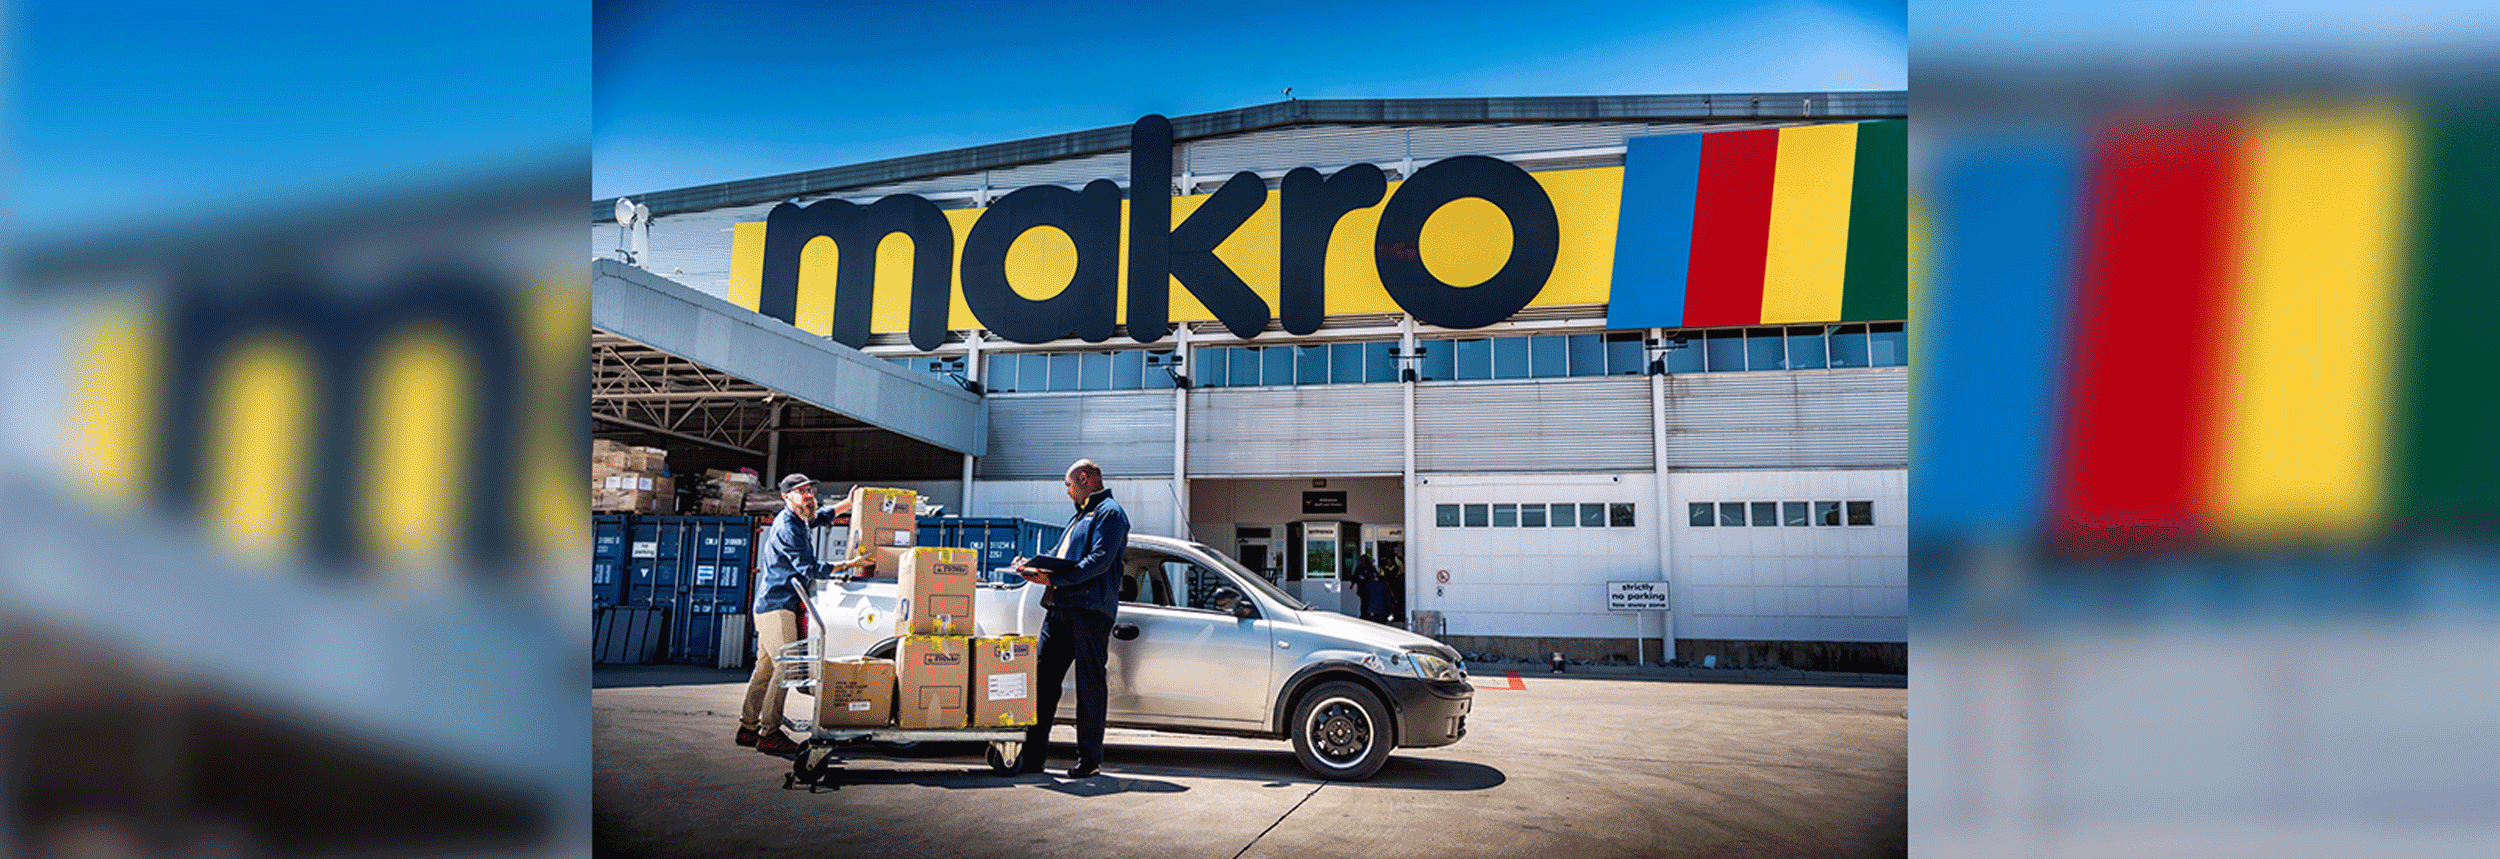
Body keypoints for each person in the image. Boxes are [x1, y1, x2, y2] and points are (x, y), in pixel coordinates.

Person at [1008, 459, 1128, 778]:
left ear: (1085, 478)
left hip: (1088, 612)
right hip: (1058, 610)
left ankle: (1089, 760)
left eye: (1069, 484)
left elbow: (1098, 561)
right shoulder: (1080, 515)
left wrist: (1056, 580)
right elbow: (1062, 555)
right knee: (1043, 683)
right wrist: (1034, 566)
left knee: (1089, 686)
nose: (1067, 490)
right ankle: (1033, 757)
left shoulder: (1110, 514)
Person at [737, 473, 870, 753]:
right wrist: (849, 564)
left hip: (771, 606)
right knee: (789, 665)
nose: (808, 496)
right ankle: (768, 732)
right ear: (787, 497)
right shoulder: (788, 526)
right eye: (801, 492)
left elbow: (818, 516)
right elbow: (809, 568)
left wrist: (846, 504)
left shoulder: (798, 518)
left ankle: (748, 728)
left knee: (765, 669)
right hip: (777, 607)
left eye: (810, 490)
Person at [1353, 552, 1381, 622]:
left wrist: (1369, 577)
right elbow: (1355, 576)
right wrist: (1352, 583)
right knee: (1363, 602)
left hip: (1370, 588)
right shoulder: (1359, 567)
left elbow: (1375, 575)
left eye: (1364, 559)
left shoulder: (1370, 567)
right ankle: (1364, 615)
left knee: (1371, 601)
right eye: (1361, 560)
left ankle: (1373, 614)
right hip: (1362, 588)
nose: (1362, 561)